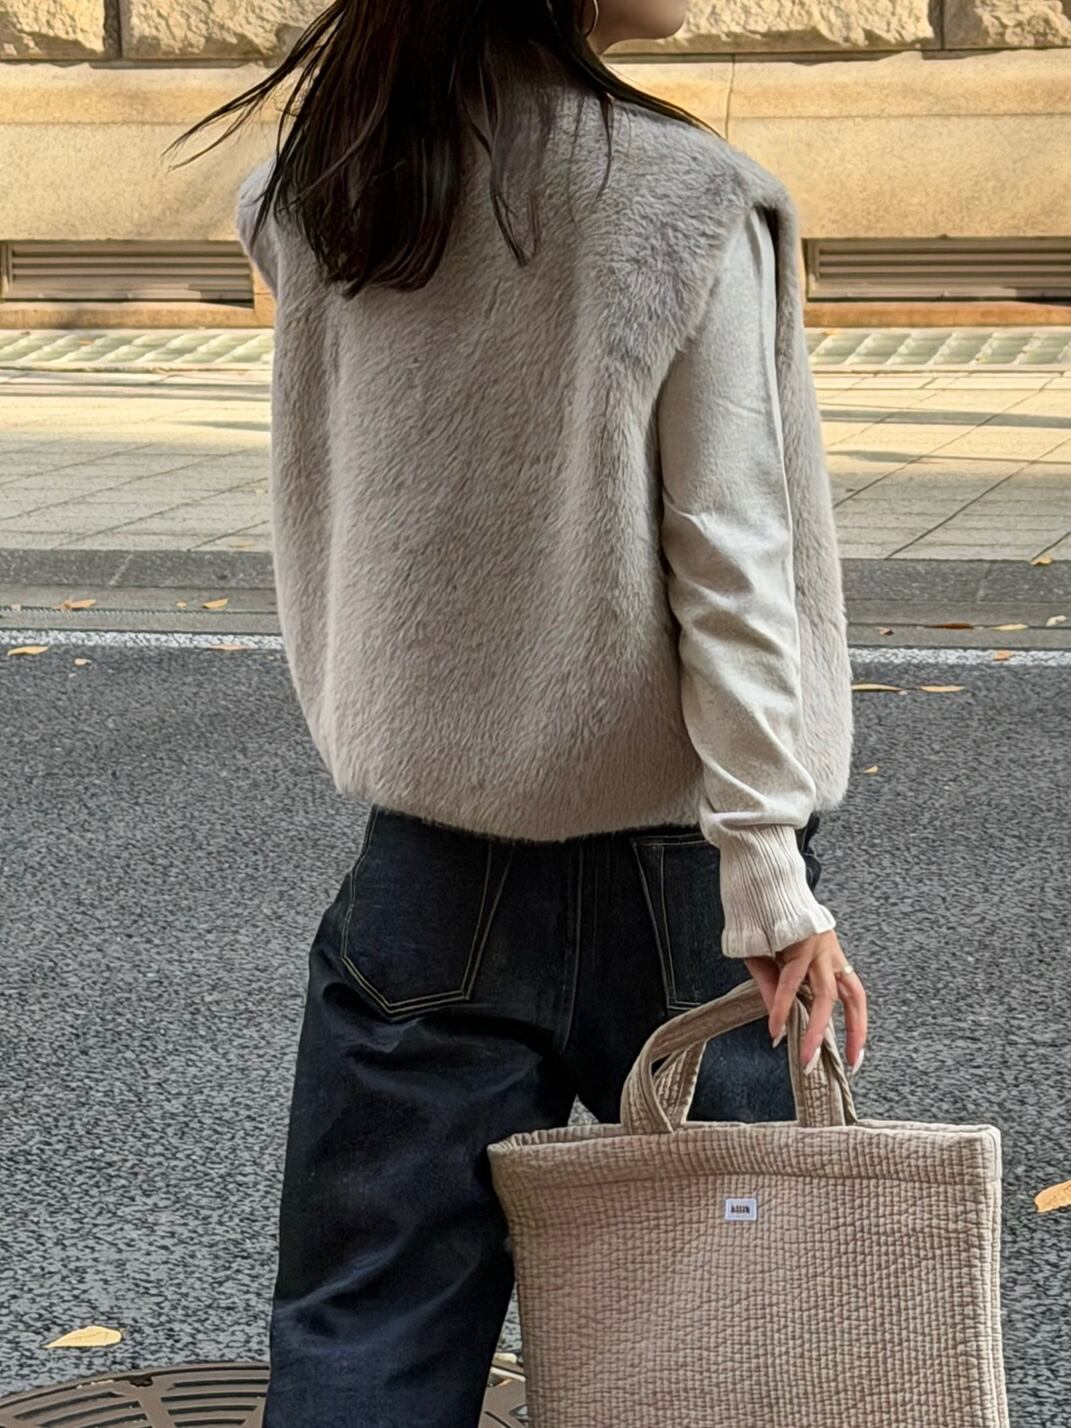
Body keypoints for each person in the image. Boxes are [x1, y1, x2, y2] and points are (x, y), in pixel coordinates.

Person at [173, 1, 869, 1423]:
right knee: (728, 1340)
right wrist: (768, 872)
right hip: (684, 868)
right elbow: (729, 556)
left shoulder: (331, 186)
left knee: (374, 1322)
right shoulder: (683, 200)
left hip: (431, 854)